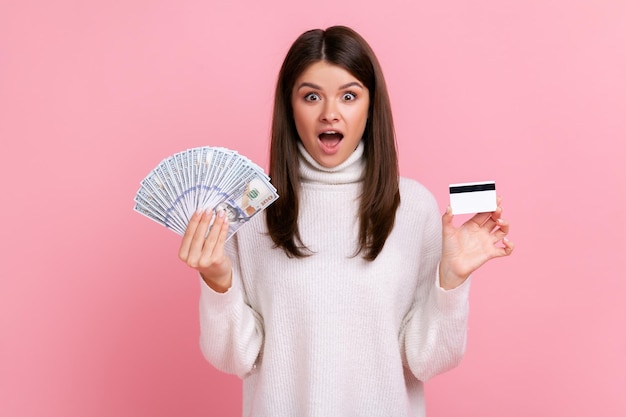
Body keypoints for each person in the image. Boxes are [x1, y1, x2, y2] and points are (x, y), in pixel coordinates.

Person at [178, 25, 514, 417]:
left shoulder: (413, 207)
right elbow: (234, 359)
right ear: (290, 107)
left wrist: (451, 282)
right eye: (311, 96)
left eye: (349, 95)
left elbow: (427, 361)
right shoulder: (250, 209)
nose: (330, 113)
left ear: (371, 107)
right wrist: (218, 282)